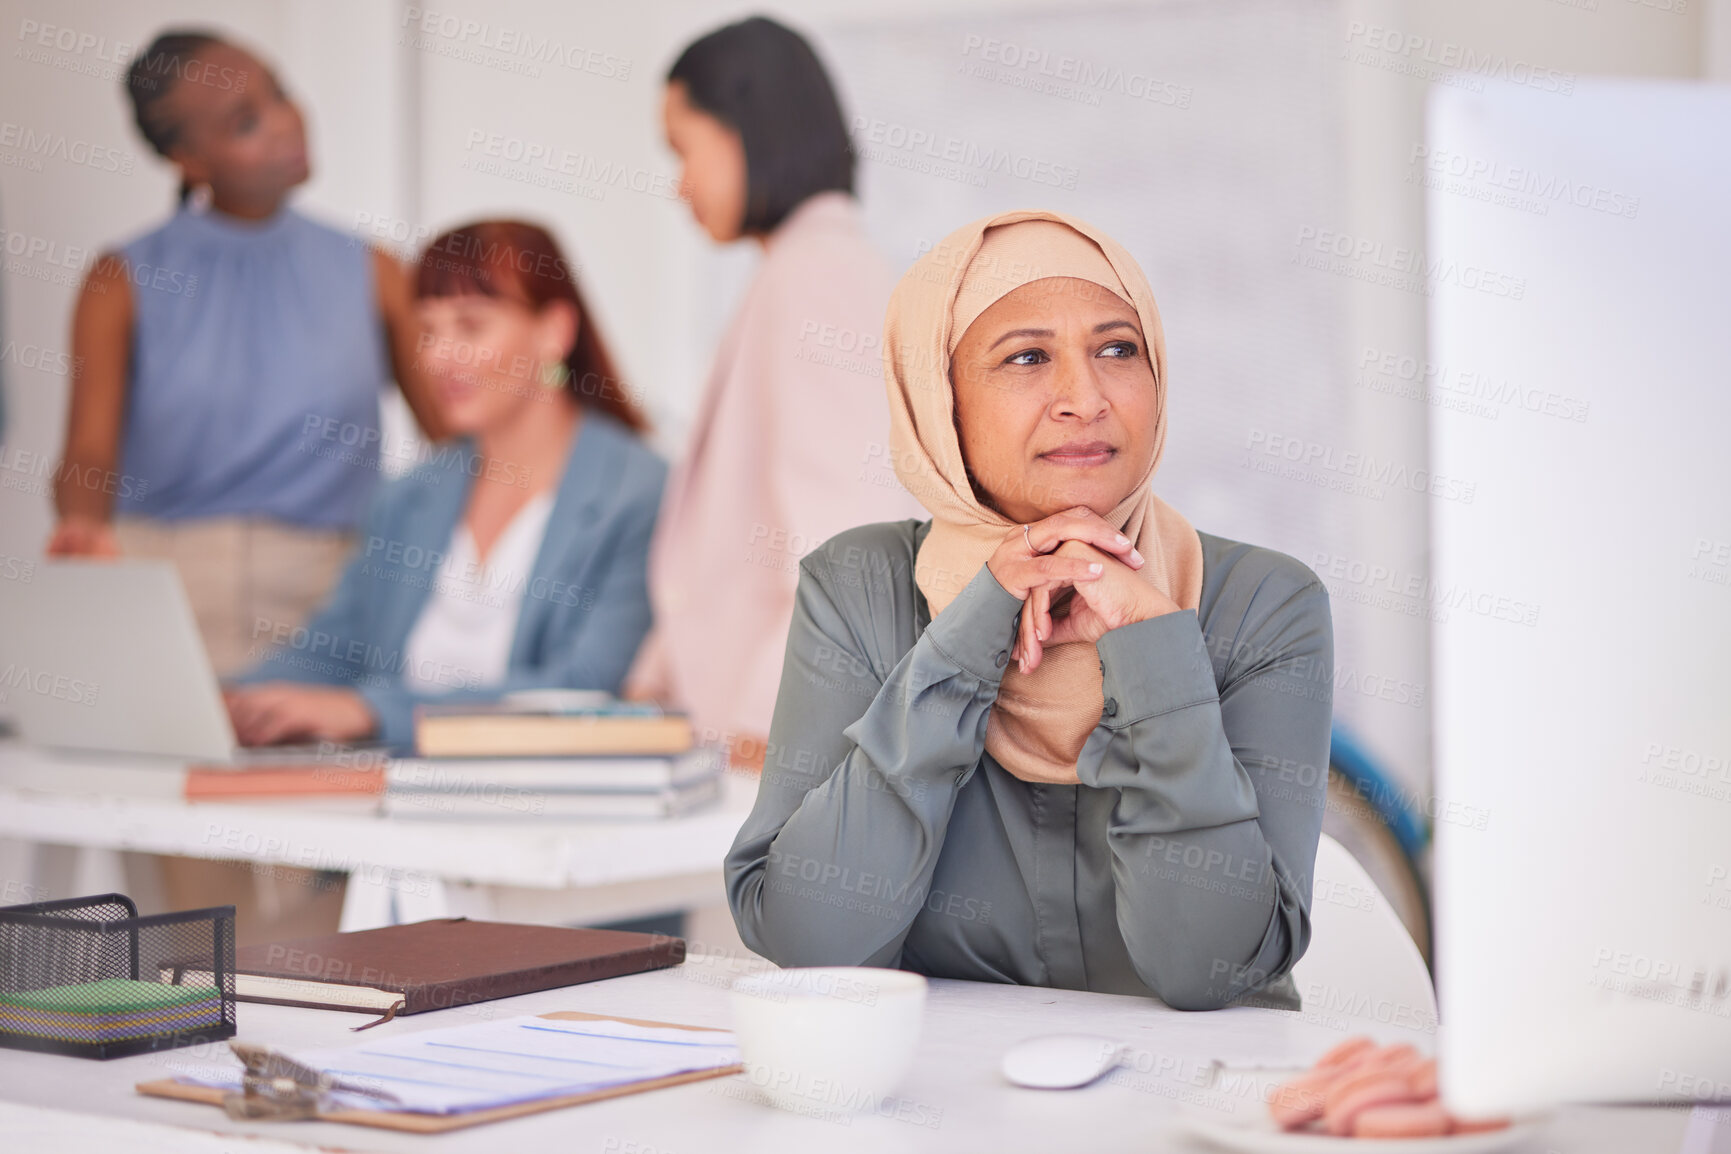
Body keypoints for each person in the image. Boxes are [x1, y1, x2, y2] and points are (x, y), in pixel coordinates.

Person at [724, 211, 1333, 1011]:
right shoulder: (859, 587)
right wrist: (969, 635)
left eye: (1118, 349)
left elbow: (1208, 970)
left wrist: (1155, 660)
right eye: (1026, 358)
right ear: (940, 403)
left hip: (1192, 1119)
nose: (1084, 398)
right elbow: (815, 943)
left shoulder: (1264, 604)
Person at [48, 30, 448, 673]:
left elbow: (454, 436)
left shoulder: (374, 271)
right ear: (187, 158)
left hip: (332, 598)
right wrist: (83, 531)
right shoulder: (119, 280)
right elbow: (89, 453)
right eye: (246, 122)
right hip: (169, 597)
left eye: (281, 94)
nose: (287, 125)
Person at [226, 221, 664, 751]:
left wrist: (371, 711)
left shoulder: (639, 492)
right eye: (429, 331)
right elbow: (334, 647)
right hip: (389, 795)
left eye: (470, 326)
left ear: (555, 332)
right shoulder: (409, 494)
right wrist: (231, 698)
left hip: (540, 806)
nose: (436, 357)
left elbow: (589, 688)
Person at [625, 16, 922, 768]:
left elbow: (852, 540)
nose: (678, 184)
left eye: (683, 150)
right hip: (750, 734)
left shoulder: (816, 278)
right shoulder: (801, 269)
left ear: (746, 130)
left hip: (772, 742)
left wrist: (771, 724)